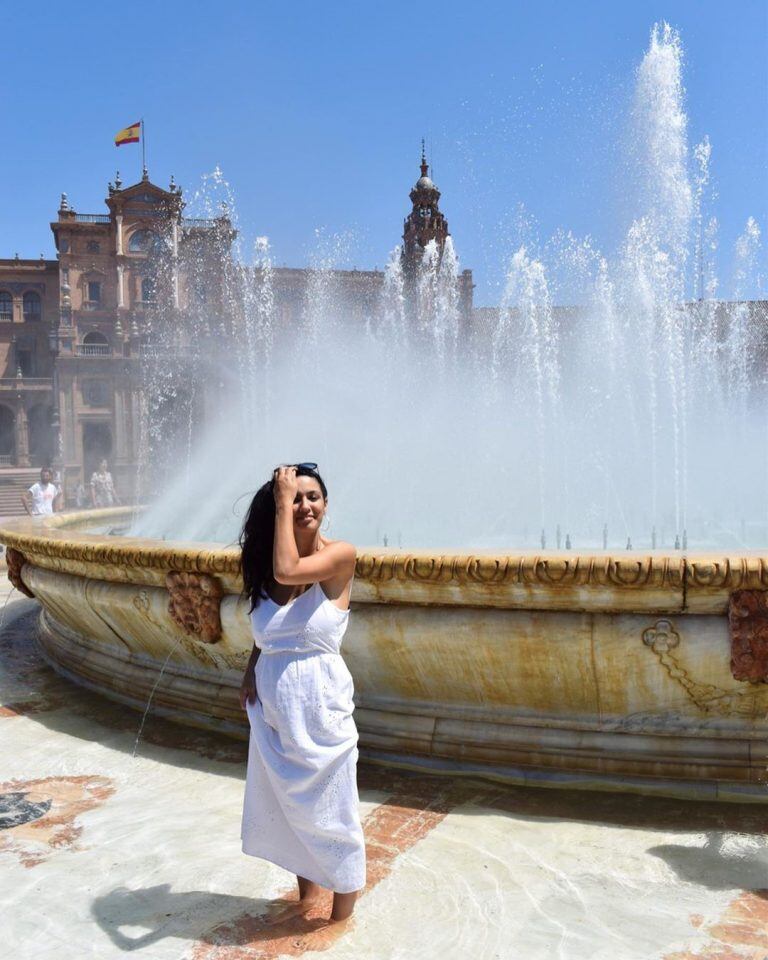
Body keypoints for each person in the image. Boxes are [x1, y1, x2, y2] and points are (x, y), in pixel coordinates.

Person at [239, 462, 365, 923]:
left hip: (321, 711)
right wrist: (251, 669)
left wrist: (281, 498)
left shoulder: (340, 556)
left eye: (312, 497)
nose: (304, 505)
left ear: (326, 504)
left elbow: (291, 568)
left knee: (335, 813)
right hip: (274, 713)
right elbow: (266, 632)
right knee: (290, 808)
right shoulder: (264, 567)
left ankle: (341, 920)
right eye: (295, 497)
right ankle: (307, 899)